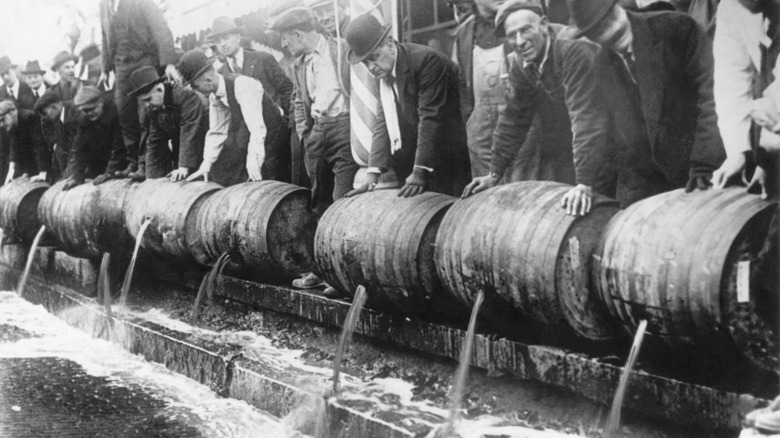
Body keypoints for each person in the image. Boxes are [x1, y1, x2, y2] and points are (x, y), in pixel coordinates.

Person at [567, 0, 726, 206]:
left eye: (611, 19)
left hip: (710, 168)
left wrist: (705, 163)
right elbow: (616, 140)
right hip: (660, 185)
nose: (610, 33)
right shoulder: (602, 65)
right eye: (597, 30)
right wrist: (587, 184)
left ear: (618, 6)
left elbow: (713, 95)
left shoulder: (676, 29)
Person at [462, 0, 610, 217]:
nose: (519, 41)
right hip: (588, 144)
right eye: (512, 35)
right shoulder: (521, 64)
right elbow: (513, 120)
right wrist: (494, 174)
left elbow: (586, 116)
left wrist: (584, 183)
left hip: (621, 137)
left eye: (525, 30)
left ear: (543, 24)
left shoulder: (573, 47)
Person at [270, 6, 359, 295]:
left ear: (297, 33)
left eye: (286, 38)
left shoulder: (343, 49)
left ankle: (342, 274)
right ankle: (320, 270)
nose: (284, 44)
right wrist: (304, 132)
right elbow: (298, 99)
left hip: (345, 128)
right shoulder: (298, 64)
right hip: (317, 132)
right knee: (318, 201)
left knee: (342, 199)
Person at [344, 13, 471, 198]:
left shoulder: (426, 61)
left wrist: (419, 171)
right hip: (417, 161)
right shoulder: (384, 75)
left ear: (389, 42)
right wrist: (372, 173)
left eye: (375, 57)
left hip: (448, 156)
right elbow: (383, 123)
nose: (371, 67)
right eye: (366, 62)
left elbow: (431, 120)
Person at [99, 0, 179, 179]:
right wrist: (105, 68)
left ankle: (146, 163)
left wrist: (168, 62)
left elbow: (160, 28)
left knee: (146, 114)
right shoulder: (103, 5)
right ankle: (133, 161)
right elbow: (104, 36)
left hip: (143, 59)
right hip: (120, 65)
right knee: (125, 114)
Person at [210, 16, 294, 183]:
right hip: (250, 144)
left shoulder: (262, 59)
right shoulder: (221, 75)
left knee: (285, 182)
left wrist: (288, 121)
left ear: (238, 37)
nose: (223, 44)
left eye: (225, 38)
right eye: (218, 41)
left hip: (278, 134)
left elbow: (287, 90)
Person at [177, 49, 269, 186]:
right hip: (258, 143)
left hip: (272, 141)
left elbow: (257, 129)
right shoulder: (215, 97)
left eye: (195, 86)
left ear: (207, 80)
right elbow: (217, 132)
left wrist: (253, 162)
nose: (196, 91)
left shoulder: (242, 85)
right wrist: (206, 166)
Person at [452, 0, 514, 179]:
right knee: (485, 192)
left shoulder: (518, 21)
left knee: (522, 189)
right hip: (480, 128)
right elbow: (463, 84)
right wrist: (470, 121)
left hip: (517, 119)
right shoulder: (464, 33)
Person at [128, 66, 208, 181]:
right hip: (184, 150)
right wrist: (151, 178)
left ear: (160, 89)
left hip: (206, 145)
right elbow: (155, 141)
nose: (147, 105)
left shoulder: (185, 95)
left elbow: (189, 130)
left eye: (148, 99)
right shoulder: (153, 108)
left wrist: (184, 167)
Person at [62, 86, 127, 190]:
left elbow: (119, 146)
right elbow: (79, 150)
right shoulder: (84, 121)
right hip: (98, 166)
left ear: (101, 101)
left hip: (121, 165)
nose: (89, 113)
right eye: (85, 110)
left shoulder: (116, 113)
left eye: (91, 109)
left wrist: (110, 172)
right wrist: (77, 176)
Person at [34, 90, 78, 183]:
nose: (45, 118)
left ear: (54, 106)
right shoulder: (58, 118)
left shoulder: (75, 110)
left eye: (45, 113)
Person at [0, 100, 47, 184]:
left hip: (47, 163)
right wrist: (11, 171)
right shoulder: (14, 124)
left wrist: (43, 173)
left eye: (2, 120)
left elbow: (39, 145)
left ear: (11, 113)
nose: (1, 125)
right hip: (34, 164)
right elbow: (14, 147)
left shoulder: (30, 118)